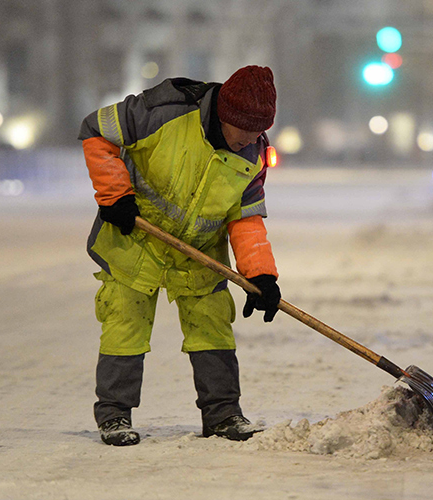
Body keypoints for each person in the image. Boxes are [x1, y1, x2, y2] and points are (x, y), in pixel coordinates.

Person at [78, 65, 282, 446]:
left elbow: (246, 219)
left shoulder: (253, 152)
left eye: (260, 131)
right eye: (248, 131)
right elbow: (95, 129)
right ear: (226, 116)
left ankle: (223, 414)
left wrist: (261, 275)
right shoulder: (164, 112)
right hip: (136, 238)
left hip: (198, 253)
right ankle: (115, 415)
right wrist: (114, 196)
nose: (254, 140)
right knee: (126, 324)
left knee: (213, 324)